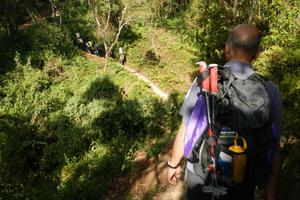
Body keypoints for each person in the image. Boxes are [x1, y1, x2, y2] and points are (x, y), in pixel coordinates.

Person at [167, 24, 282, 200]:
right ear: (257, 53)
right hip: (242, 180)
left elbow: (186, 128)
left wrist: (173, 164)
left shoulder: (206, 81)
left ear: (227, 48)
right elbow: (273, 145)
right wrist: (271, 196)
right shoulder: (270, 90)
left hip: (201, 178)